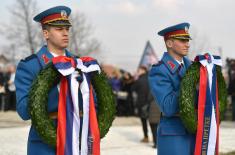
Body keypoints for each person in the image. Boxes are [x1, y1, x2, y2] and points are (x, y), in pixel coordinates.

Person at [15, 6, 74, 155]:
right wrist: (49, 89)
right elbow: (23, 111)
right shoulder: (30, 66)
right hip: (44, 145)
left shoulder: (79, 64)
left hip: (76, 140)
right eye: (59, 29)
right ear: (46, 33)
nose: (65, 33)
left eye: (67, 28)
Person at [148, 23, 195, 155]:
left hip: (195, 132)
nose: (187, 44)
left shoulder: (192, 67)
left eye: (187, 40)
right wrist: (189, 83)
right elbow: (167, 107)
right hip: (174, 134)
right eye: (182, 40)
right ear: (169, 43)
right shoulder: (159, 70)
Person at [132, 66, 151, 143]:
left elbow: (132, 89)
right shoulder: (151, 79)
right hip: (152, 103)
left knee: (144, 122)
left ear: (143, 70)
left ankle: (146, 137)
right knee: (154, 123)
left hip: (142, 103)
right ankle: (156, 138)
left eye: (139, 70)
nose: (138, 72)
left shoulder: (139, 80)